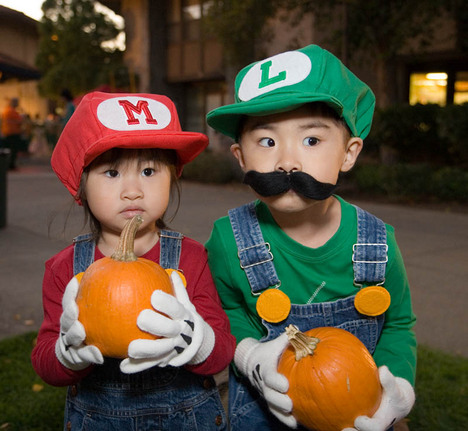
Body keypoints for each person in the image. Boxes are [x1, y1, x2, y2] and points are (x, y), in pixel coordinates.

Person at [205, 45, 417, 431]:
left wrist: (396, 385)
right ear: (240, 157)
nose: (287, 161)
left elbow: (398, 324)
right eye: (267, 142)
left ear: (349, 153)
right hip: (261, 412)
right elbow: (227, 312)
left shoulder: (379, 243)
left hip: (355, 410)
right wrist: (251, 353)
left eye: (312, 141)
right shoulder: (226, 240)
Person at [31, 91, 236, 430]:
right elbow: (44, 362)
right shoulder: (64, 269)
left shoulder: (191, 257)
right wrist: (66, 353)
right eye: (112, 173)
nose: (133, 190)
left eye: (149, 170)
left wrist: (197, 341)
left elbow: (222, 352)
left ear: (174, 176)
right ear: (82, 187)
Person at [1, 97, 23, 169]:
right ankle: (11, 164)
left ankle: (10, 164)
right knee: (13, 149)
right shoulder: (10, 111)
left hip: (10, 132)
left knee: (12, 149)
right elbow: (19, 121)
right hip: (12, 133)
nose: (18, 104)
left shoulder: (8, 110)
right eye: (16, 102)